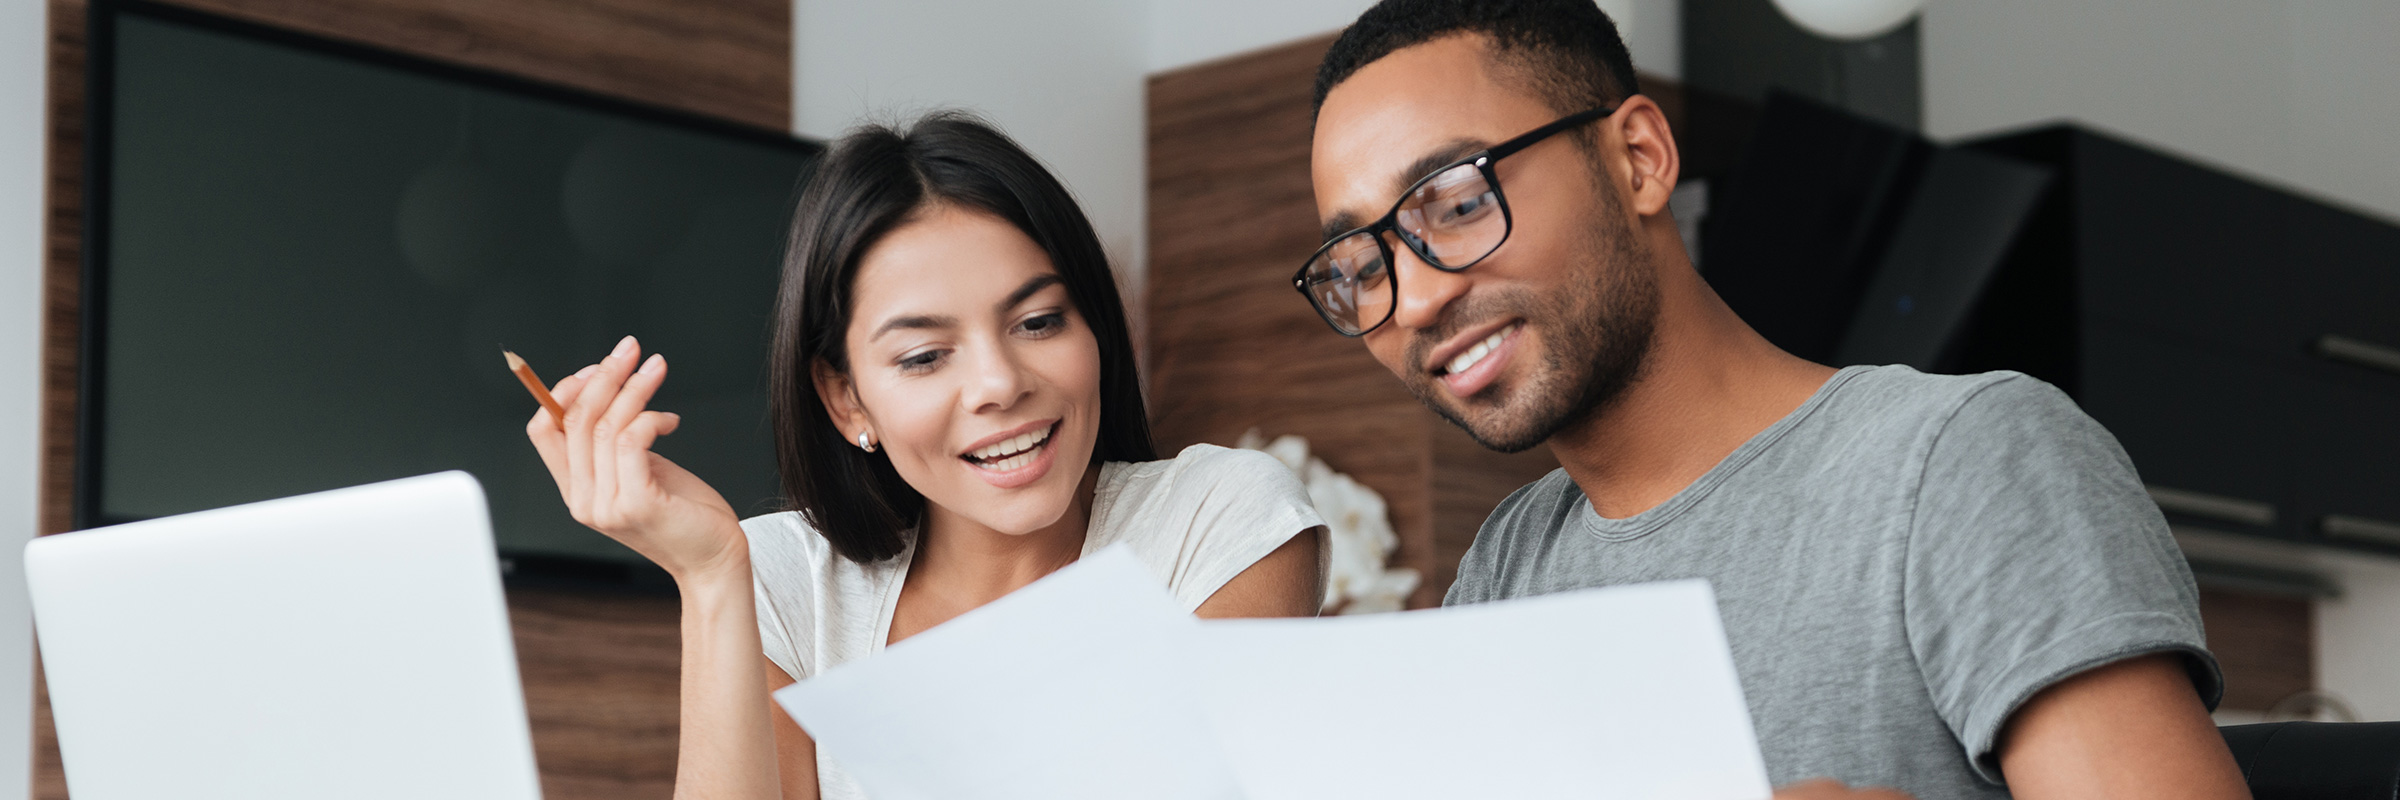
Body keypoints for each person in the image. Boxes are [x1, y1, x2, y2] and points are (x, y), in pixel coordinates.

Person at [1297, 2, 2249, 799]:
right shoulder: (1510, 561)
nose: (1414, 302)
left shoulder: (1963, 460)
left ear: (1638, 158)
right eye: (1360, 266)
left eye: (1458, 203)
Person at [525, 113, 1327, 800]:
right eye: (923, 357)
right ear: (847, 399)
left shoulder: (1218, 519)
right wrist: (708, 576)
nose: (999, 383)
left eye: (1038, 322)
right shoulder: (788, 583)